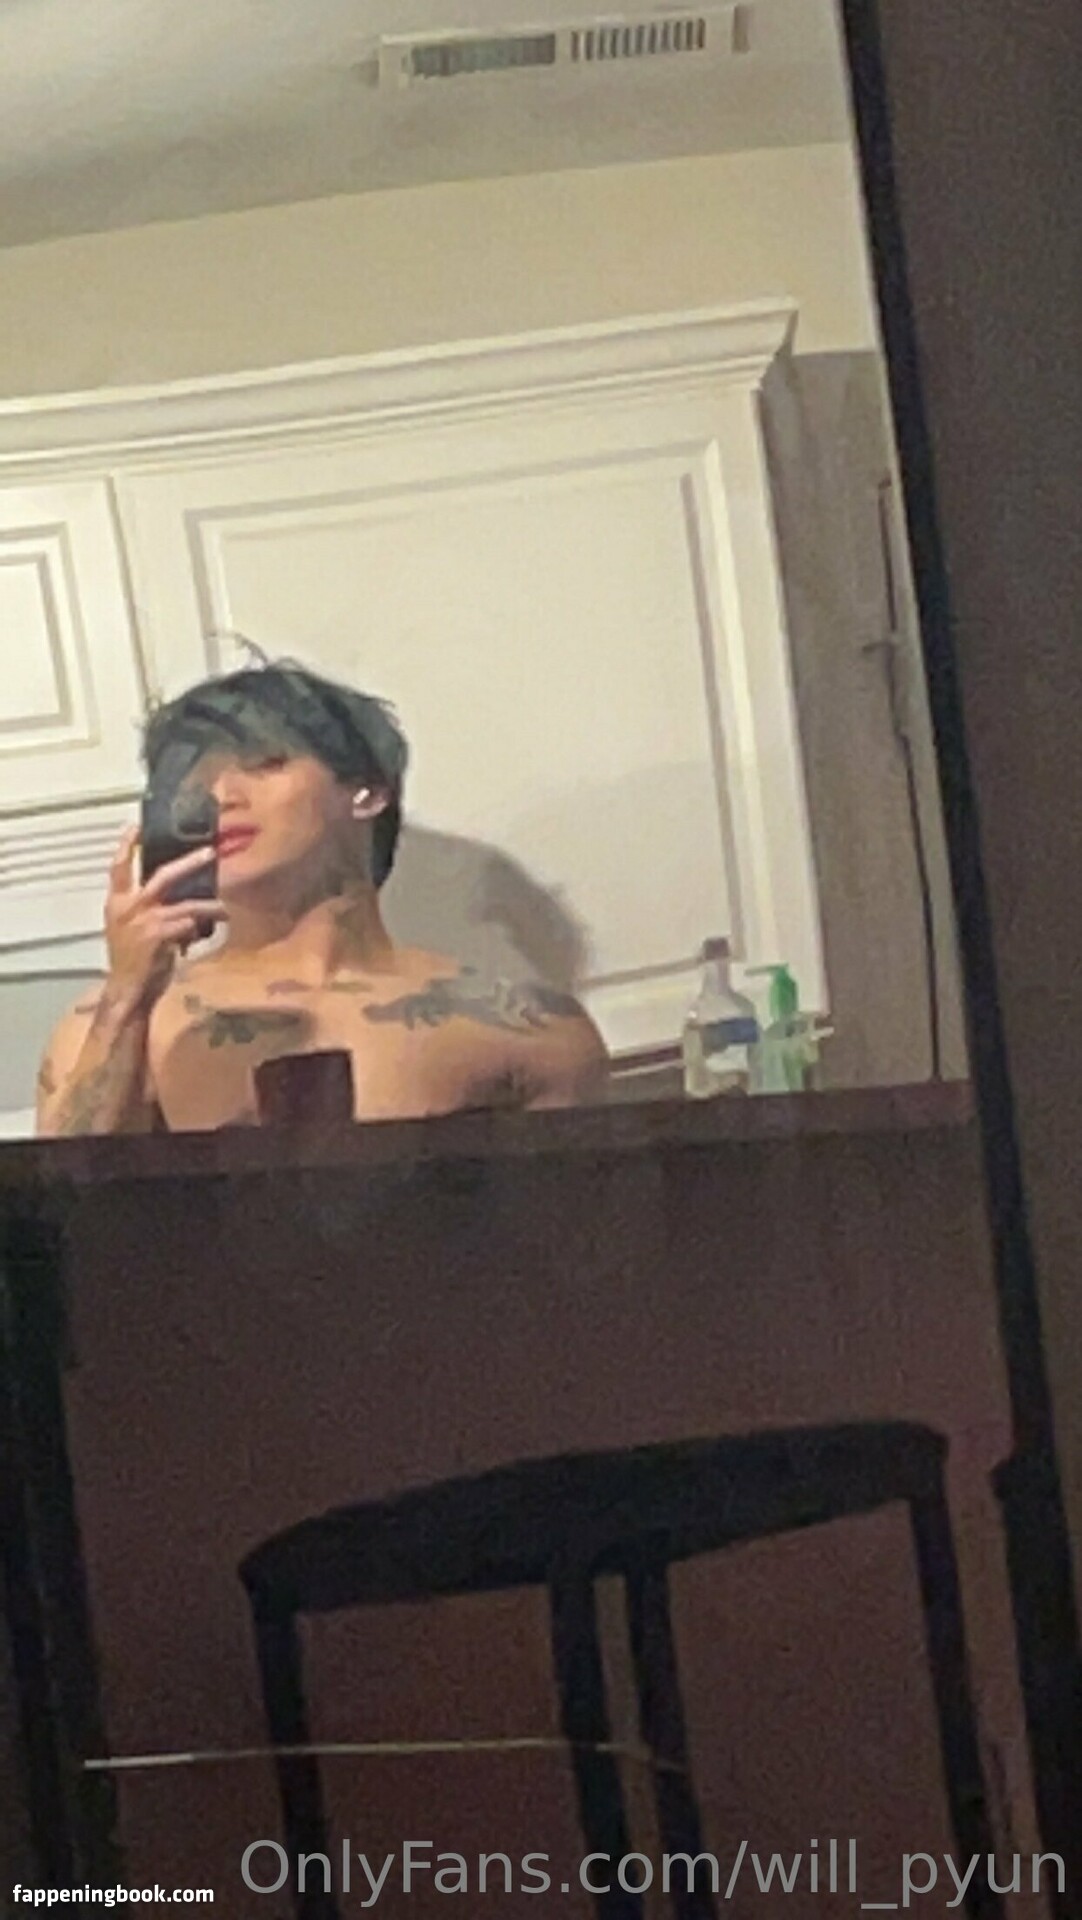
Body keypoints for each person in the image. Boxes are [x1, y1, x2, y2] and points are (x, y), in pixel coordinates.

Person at [35, 662, 608, 1136]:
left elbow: (570, 1229)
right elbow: (61, 1216)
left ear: (367, 791)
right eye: (195, 783)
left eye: (264, 764)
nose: (223, 796)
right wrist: (128, 995)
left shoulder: (527, 1026)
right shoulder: (125, 1021)